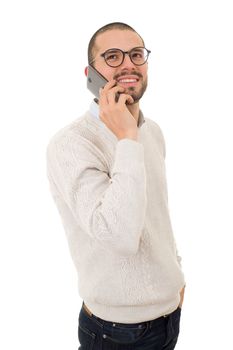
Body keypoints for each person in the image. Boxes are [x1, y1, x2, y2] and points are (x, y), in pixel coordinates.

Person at [46, 22, 186, 350]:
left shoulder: (150, 131)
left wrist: (176, 275)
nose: (128, 64)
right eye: (112, 56)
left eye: (136, 54)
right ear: (90, 73)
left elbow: (157, 215)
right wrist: (125, 137)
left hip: (169, 316)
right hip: (116, 332)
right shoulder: (71, 144)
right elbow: (119, 235)